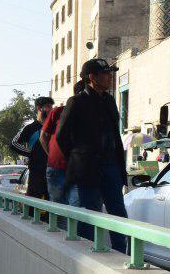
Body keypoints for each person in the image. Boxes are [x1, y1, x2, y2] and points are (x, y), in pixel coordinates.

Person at [56, 61, 128, 252]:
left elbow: (115, 135)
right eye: (105, 74)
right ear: (92, 78)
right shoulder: (77, 102)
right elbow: (61, 135)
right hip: (87, 169)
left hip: (111, 165)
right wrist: (78, 156)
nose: (109, 77)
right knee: (89, 216)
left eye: (110, 73)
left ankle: (122, 254)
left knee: (118, 215)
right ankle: (88, 255)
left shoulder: (110, 101)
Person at [9, 96, 54, 198]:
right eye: (47, 107)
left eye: (51, 107)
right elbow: (14, 144)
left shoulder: (55, 126)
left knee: (53, 205)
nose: (51, 110)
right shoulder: (30, 128)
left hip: (53, 171)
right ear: (39, 108)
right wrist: (32, 153)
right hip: (36, 172)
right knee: (34, 204)